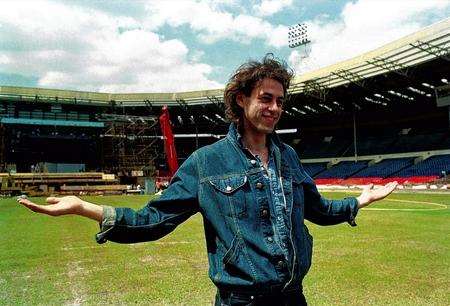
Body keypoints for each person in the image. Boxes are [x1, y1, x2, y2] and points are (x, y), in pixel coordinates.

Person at [18, 54, 397, 305]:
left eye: (281, 101)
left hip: (293, 296)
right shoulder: (206, 163)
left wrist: (358, 201)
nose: (275, 108)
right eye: (266, 98)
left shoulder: (289, 157)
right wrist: (86, 207)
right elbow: (153, 221)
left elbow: (316, 209)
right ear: (240, 100)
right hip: (241, 302)